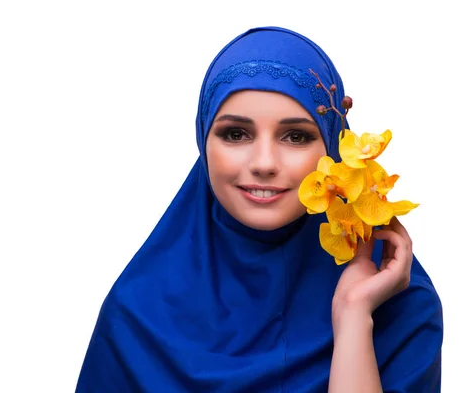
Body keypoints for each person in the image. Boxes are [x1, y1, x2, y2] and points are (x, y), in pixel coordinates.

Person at [75, 26, 443, 392]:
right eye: (236, 134)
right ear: (204, 144)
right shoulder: (137, 314)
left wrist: (353, 319)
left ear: (332, 148)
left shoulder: (402, 306)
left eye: (296, 136)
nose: (264, 162)